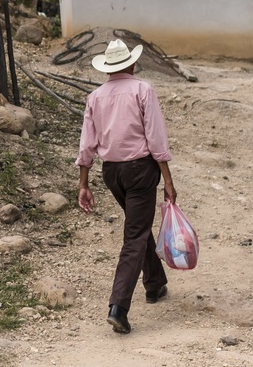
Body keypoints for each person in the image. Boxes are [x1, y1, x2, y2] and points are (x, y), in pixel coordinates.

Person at [76, 38, 177, 335]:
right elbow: (156, 138)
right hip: (140, 171)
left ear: (108, 68)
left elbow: (86, 144)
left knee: (138, 224)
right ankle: (118, 307)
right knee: (135, 235)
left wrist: (83, 184)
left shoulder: (95, 97)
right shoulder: (142, 89)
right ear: (131, 63)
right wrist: (168, 179)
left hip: (112, 173)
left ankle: (155, 284)